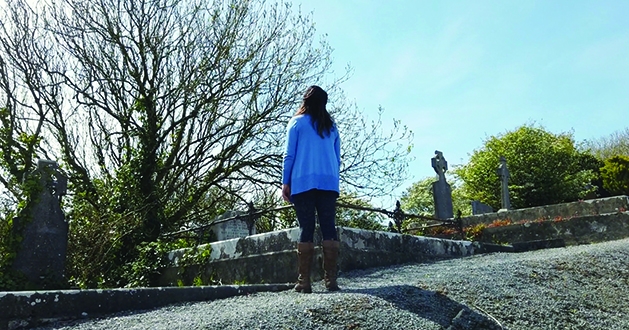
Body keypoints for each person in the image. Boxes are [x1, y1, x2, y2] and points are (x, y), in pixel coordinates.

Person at [282, 85, 341, 293]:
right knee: (328, 227)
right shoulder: (331, 127)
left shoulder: (296, 123)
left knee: (306, 228)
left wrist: (285, 181)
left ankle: (304, 281)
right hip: (328, 182)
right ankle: (330, 280)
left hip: (302, 182)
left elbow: (289, 155)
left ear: (305, 101)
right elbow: (337, 158)